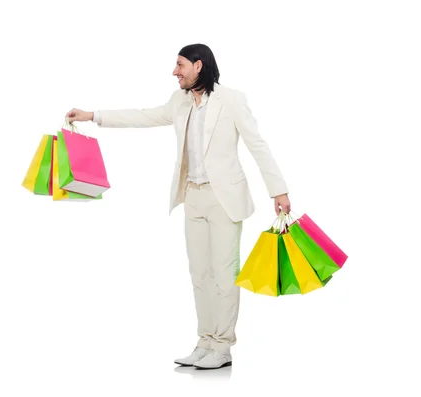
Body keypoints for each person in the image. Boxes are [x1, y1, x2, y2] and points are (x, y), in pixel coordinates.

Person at [65, 43, 291, 370]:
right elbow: (142, 117)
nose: (175, 71)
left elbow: (258, 144)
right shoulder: (179, 103)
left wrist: (278, 190)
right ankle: (205, 341)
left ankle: (223, 347)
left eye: (180, 65)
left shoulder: (231, 100)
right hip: (193, 196)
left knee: (224, 275)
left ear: (198, 66)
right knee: (199, 274)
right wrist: (92, 116)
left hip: (224, 198)